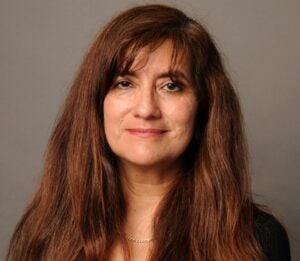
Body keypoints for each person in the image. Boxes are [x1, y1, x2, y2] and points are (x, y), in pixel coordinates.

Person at [6, 4, 290, 261]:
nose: (146, 109)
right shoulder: (44, 234)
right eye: (124, 83)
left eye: (171, 85)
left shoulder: (255, 239)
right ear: (96, 103)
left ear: (203, 108)